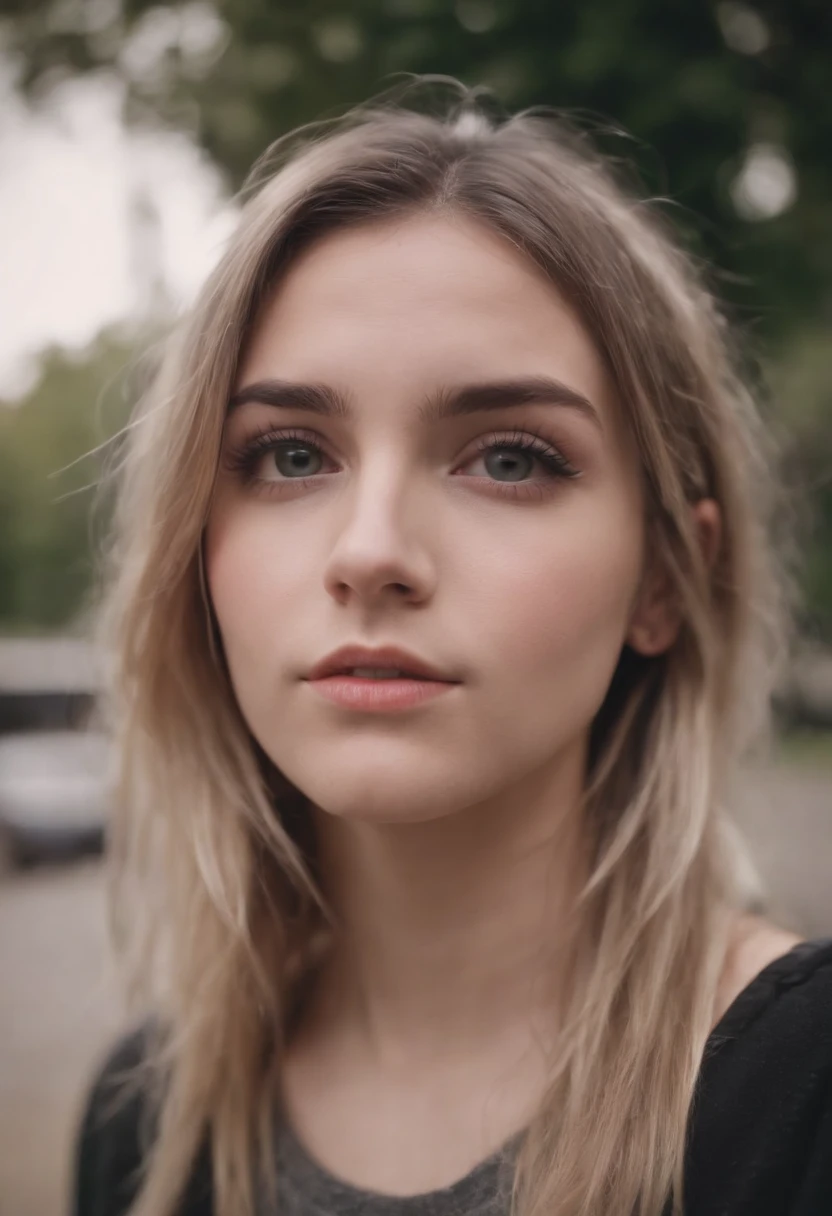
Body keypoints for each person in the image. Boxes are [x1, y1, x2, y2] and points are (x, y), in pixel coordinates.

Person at [71, 80, 832, 1216]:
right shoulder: (143, 1129)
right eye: (288, 456)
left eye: (510, 458)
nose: (371, 551)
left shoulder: (806, 1101)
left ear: (666, 577)